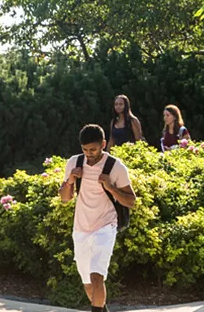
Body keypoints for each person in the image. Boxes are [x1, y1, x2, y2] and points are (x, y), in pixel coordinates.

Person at [59, 125, 138, 312]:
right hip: (81, 228)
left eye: (93, 149)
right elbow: (65, 198)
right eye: (85, 149)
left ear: (103, 144)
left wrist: (111, 188)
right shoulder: (75, 162)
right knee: (88, 284)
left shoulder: (115, 166)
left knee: (97, 277)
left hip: (105, 226)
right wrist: (70, 180)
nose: (89, 154)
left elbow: (131, 201)